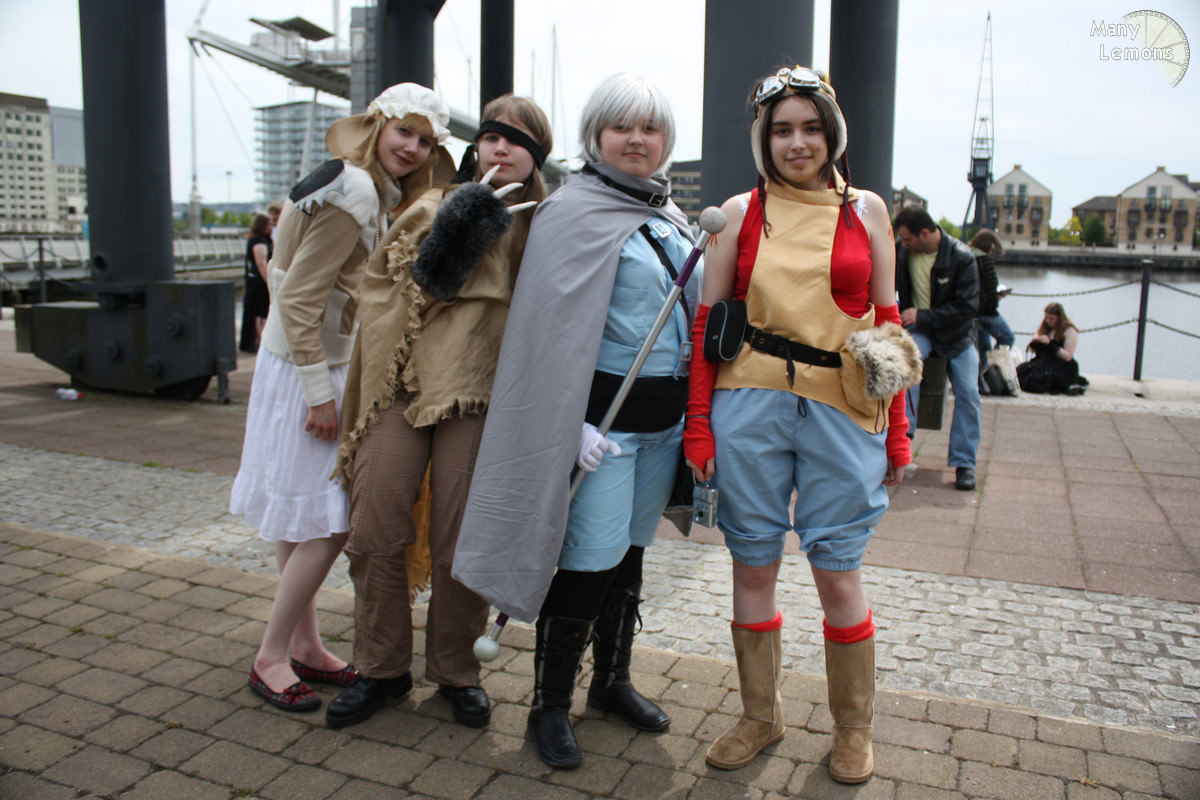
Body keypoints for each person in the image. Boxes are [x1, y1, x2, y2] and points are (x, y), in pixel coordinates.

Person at [453, 73, 701, 770]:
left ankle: (611, 682)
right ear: (596, 135)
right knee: (588, 561)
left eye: (650, 128)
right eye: (622, 126)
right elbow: (544, 335)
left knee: (630, 555)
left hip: (662, 426)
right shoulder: (570, 212)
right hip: (603, 430)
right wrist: (571, 428)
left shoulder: (671, 215)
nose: (637, 139)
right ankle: (550, 704)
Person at [683, 66, 918, 784]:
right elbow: (706, 323)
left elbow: (888, 323)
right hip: (749, 403)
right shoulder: (738, 212)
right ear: (763, 139)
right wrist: (699, 425)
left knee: (837, 570)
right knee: (753, 562)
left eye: (811, 128)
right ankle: (761, 716)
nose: (797, 143)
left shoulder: (867, 211)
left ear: (832, 134)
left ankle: (853, 730)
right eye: (781, 130)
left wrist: (899, 429)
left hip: (844, 408)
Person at [325, 95, 553, 731]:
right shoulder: (432, 203)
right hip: (402, 386)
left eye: (518, 139)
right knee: (374, 527)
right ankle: (380, 668)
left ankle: (456, 672)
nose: (502, 147)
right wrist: (453, 241)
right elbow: (383, 291)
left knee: (462, 540)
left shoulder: (544, 225)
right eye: (492, 135)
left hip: (481, 394)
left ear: (537, 154)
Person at [229, 83, 449, 714]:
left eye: (425, 140)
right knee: (334, 520)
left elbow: (290, 286)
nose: (412, 147)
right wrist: (320, 395)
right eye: (404, 131)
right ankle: (270, 657)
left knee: (301, 517)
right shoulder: (355, 192)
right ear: (377, 125)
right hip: (311, 369)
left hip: (294, 364)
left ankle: (303, 646)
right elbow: (300, 299)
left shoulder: (350, 180)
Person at [895, 206, 981, 491]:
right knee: (906, 376)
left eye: (908, 239)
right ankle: (902, 447)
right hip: (921, 332)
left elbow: (967, 308)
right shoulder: (902, 252)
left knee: (968, 393)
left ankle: (964, 463)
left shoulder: (962, 258)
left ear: (925, 234)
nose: (904, 244)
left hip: (956, 336)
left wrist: (923, 315)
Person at [968, 228, 1015, 391]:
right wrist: (997, 298)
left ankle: (983, 380)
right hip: (986, 311)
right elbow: (990, 287)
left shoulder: (967, 256)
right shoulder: (985, 260)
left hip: (972, 311)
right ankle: (993, 370)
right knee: (1007, 337)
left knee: (983, 346)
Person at [1018, 302, 1088, 395]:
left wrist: (1050, 344)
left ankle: (1069, 387)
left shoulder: (1069, 331)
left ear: (1059, 318)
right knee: (1022, 371)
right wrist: (1036, 342)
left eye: (1051, 319)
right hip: (1044, 362)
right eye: (1046, 318)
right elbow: (1032, 350)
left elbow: (1068, 357)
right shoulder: (1046, 328)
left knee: (1041, 379)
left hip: (1062, 364)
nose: (1048, 321)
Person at [239, 212, 273, 354]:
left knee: (257, 312)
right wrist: (269, 282)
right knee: (261, 312)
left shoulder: (258, 240)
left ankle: (257, 340)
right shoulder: (259, 242)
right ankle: (260, 340)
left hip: (255, 280)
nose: (271, 226)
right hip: (259, 283)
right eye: (269, 224)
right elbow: (261, 264)